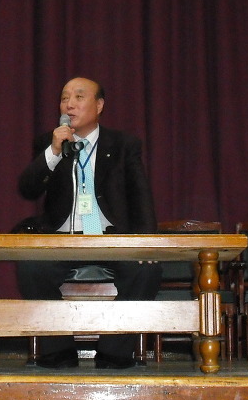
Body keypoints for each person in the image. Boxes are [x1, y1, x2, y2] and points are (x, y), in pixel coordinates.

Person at [16, 77, 163, 369]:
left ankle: (114, 351)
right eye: (64, 98)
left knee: (146, 270)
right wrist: (54, 151)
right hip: (63, 237)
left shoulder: (123, 145)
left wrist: (146, 242)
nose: (69, 104)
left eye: (79, 97)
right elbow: (28, 189)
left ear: (99, 105)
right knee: (31, 267)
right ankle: (58, 349)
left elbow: (140, 196)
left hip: (109, 237)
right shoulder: (49, 143)